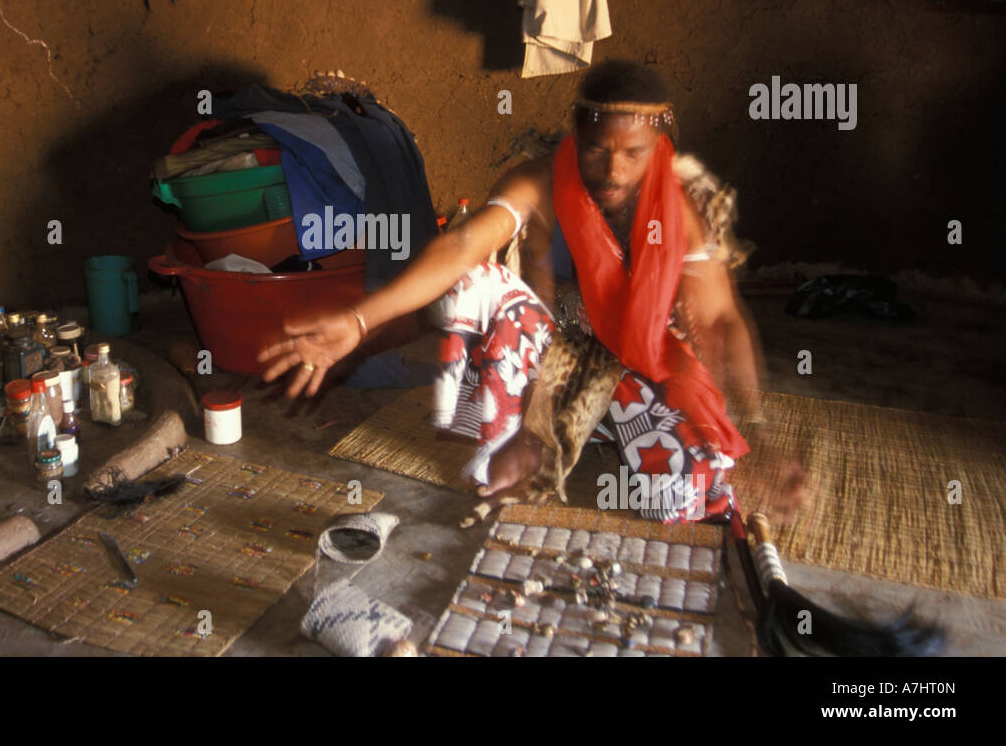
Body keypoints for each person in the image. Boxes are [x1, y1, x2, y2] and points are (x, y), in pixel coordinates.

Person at [259, 61, 769, 523]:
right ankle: (516, 444)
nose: (614, 170)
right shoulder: (543, 179)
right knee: (473, 283)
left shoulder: (682, 205)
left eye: (633, 153)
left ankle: (599, 430)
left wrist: (757, 428)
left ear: (658, 143)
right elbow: (462, 244)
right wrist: (358, 321)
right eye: (598, 150)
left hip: (645, 365)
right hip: (565, 353)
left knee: (683, 501)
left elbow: (722, 318)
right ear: (577, 134)